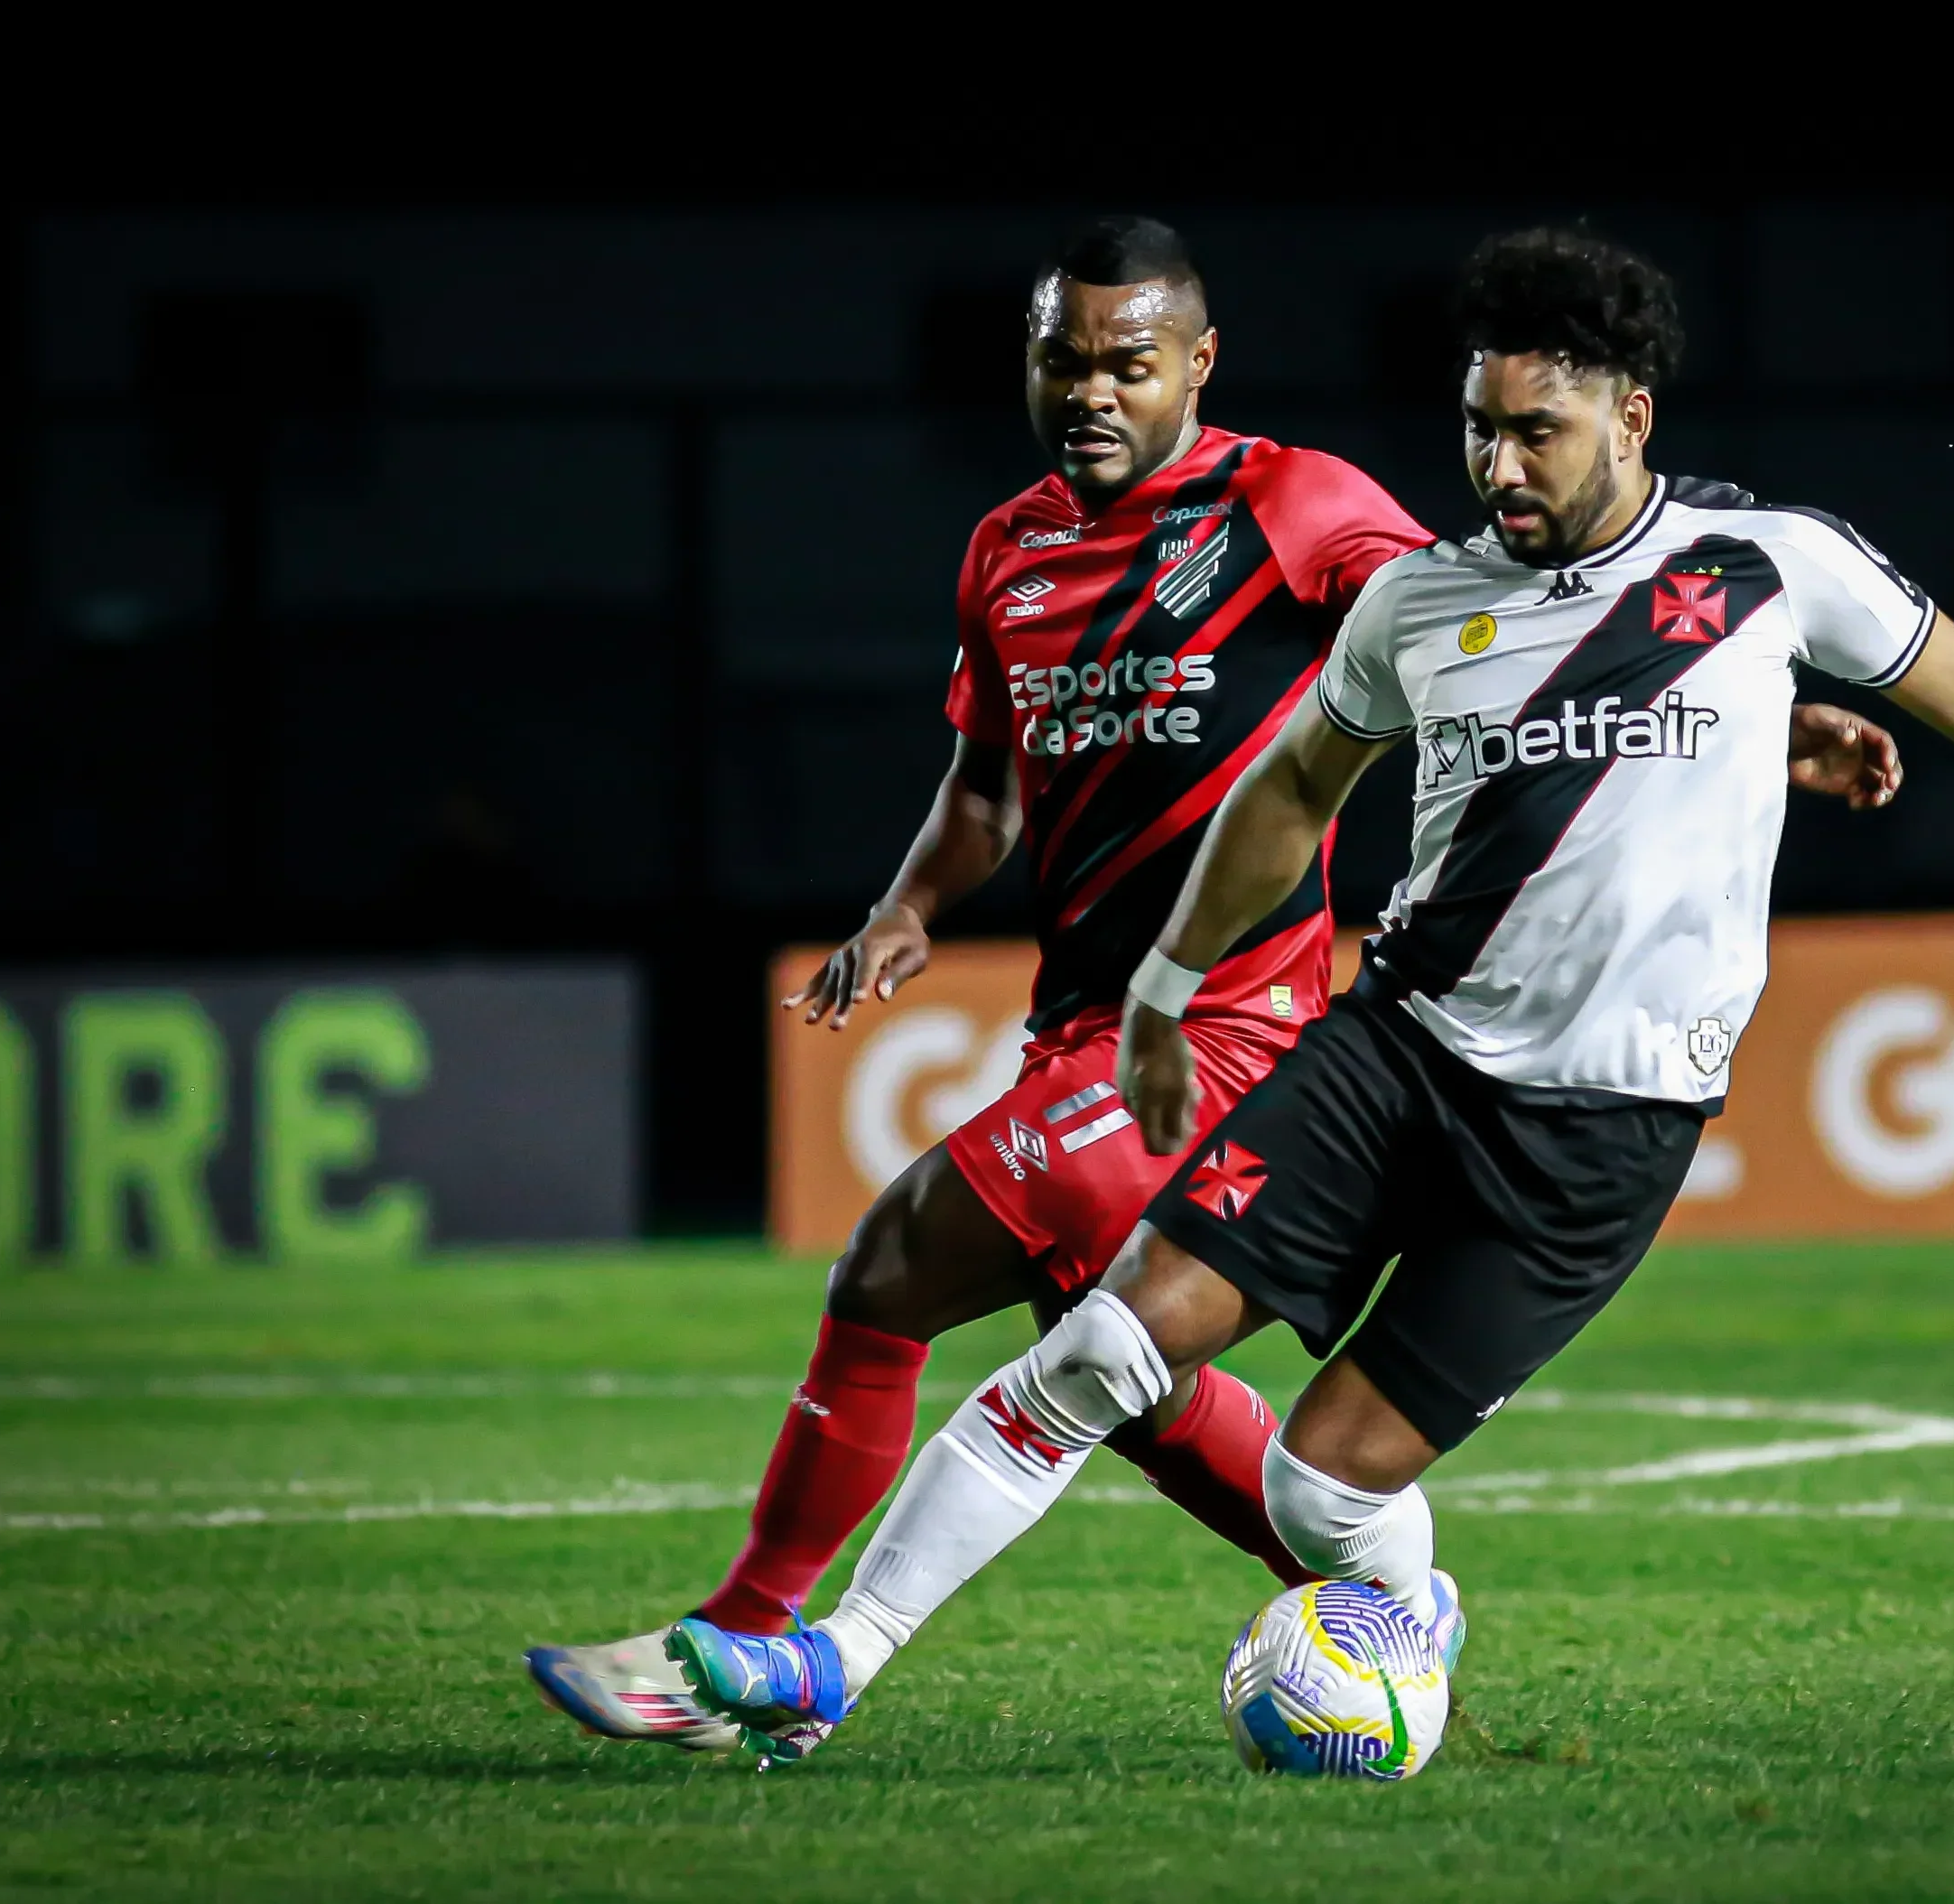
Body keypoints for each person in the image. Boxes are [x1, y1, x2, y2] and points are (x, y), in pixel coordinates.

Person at [654, 227, 1954, 1760]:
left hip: (1602, 1130)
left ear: (1627, 414)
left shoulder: (1767, 568)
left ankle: (1396, 1608)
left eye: (1536, 431)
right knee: (1104, 1345)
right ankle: (833, 1656)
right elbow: (1284, 796)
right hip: (1396, 1053)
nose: (1498, 466)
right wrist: (1161, 987)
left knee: (1316, 1482)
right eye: (1475, 428)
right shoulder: (1419, 602)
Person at [522, 215, 1434, 1756]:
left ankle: (746, 1652)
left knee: (885, 1267)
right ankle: (1388, 1598)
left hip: (1223, 1033)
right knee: (1126, 1372)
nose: (1091, 390)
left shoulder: (1287, 500)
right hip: (1079, 1027)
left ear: (1196, 365)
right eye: (1062, 360)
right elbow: (985, 787)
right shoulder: (1006, 548)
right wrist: (902, 909)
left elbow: (1455, 620)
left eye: (1126, 364)